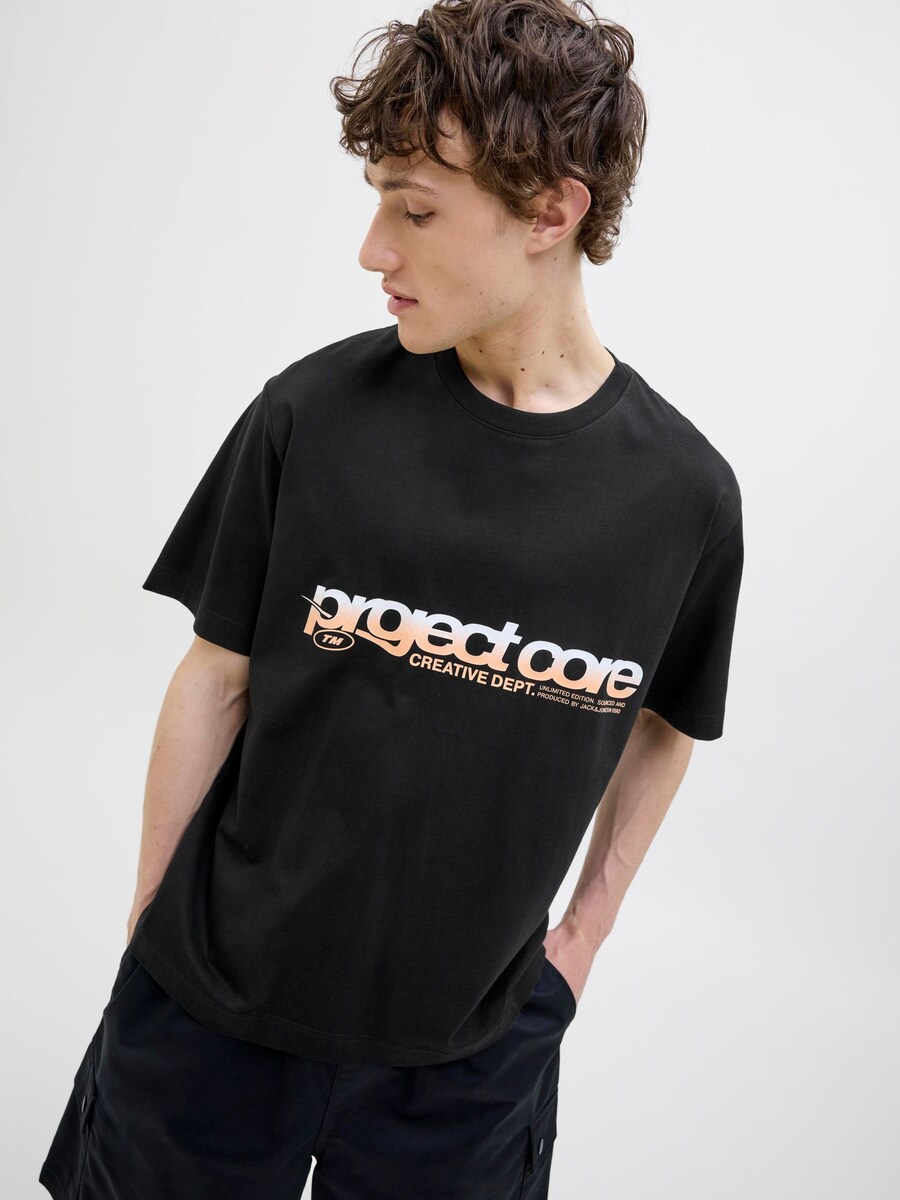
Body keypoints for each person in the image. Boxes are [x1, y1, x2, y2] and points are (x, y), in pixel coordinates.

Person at [39, 1, 744, 1197]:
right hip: (207, 1022)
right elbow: (215, 676)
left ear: (551, 211)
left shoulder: (683, 500)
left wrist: (579, 947)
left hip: (468, 1068)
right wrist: (152, 922)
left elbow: (667, 728)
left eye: (414, 210)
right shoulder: (308, 416)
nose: (374, 250)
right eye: (378, 203)